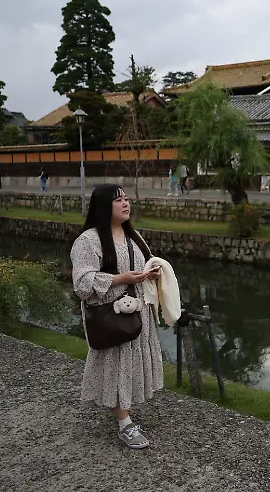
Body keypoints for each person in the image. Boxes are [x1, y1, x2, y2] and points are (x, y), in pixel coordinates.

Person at [70, 184, 163, 449]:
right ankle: (124, 424)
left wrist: (151, 272)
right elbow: (82, 283)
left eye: (126, 198)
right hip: (111, 316)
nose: (125, 203)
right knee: (116, 364)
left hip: (138, 314)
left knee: (129, 365)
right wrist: (119, 279)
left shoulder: (133, 236)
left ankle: (125, 412)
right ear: (103, 206)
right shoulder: (88, 241)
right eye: (118, 200)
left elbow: (145, 265)